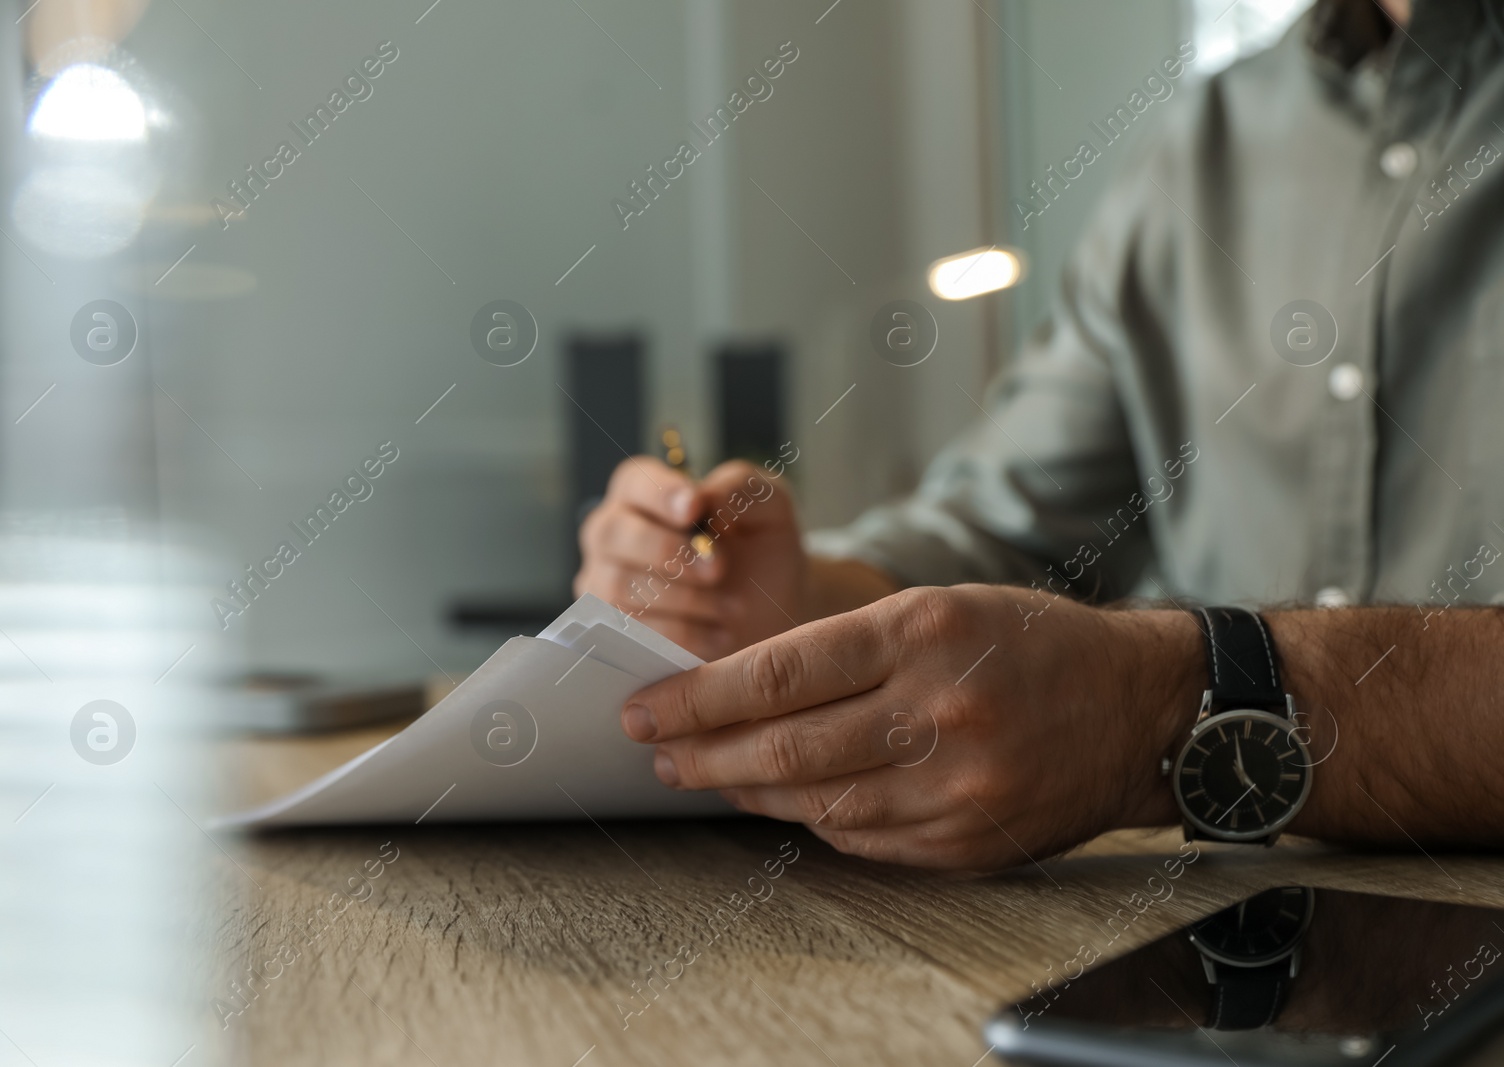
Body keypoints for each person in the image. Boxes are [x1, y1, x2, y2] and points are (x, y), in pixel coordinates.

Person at [574, 0, 1504, 869]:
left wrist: (1168, 712)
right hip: (1227, 956)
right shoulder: (1208, 141)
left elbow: (1122, 685)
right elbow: (1011, 524)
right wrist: (797, 599)